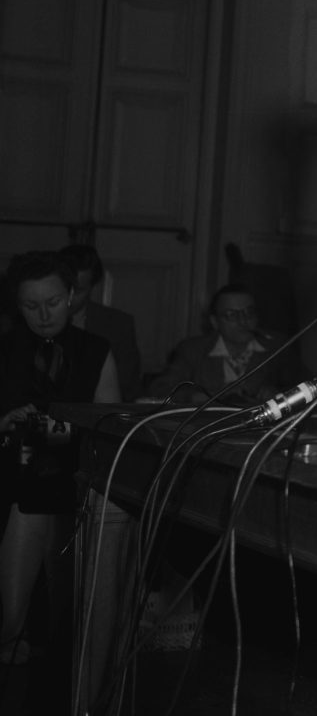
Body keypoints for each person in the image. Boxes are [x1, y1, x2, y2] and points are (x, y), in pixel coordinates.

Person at [0, 251, 122, 666]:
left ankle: (42, 640)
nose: (43, 314)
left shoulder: (96, 349)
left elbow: (108, 424)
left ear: (71, 295)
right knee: (27, 496)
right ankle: (14, 633)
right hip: (11, 470)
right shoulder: (5, 347)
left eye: (52, 302)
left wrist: (51, 428)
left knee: (47, 491)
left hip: (74, 471)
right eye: (30, 306)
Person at [145, 284, 295, 406]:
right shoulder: (193, 350)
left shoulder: (277, 347)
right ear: (215, 322)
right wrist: (196, 397)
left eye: (249, 313)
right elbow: (159, 389)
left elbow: (306, 385)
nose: (243, 321)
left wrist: (279, 393)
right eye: (232, 315)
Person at [60, 243, 144, 402]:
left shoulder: (117, 325)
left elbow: (128, 386)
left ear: (92, 287)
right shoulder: (30, 320)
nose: (68, 298)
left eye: (77, 291)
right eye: (63, 287)